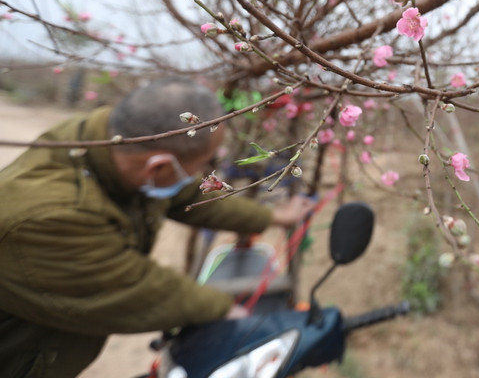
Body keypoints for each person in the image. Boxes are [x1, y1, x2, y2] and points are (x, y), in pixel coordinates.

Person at [0, 77, 315, 378]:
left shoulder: (115, 143)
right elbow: (135, 289)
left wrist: (273, 217)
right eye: (197, 168)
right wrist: (227, 313)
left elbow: (191, 197)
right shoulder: (49, 218)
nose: (197, 177)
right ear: (159, 166)